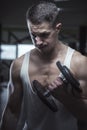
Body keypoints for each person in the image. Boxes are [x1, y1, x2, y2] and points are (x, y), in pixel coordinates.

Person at [1, 1, 87, 130]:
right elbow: (12, 111)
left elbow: (84, 116)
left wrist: (64, 96)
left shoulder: (79, 63)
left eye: (44, 35)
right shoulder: (19, 65)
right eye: (33, 35)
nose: (38, 42)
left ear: (57, 28)